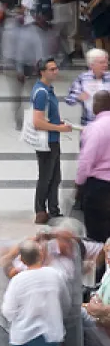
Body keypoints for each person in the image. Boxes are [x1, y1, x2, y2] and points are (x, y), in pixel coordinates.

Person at [31, 57, 74, 224]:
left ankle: (54, 209)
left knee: (55, 177)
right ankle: (41, 211)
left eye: (56, 68)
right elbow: (38, 122)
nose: (55, 71)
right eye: (52, 69)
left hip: (53, 139)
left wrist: (59, 123)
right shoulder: (41, 92)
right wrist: (59, 128)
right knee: (46, 177)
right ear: (42, 72)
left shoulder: (48, 89)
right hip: (47, 142)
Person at [77, 91, 110, 244]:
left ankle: (101, 266)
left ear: (98, 106)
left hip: (100, 187)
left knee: (97, 235)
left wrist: (79, 183)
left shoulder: (95, 128)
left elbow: (86, 160)